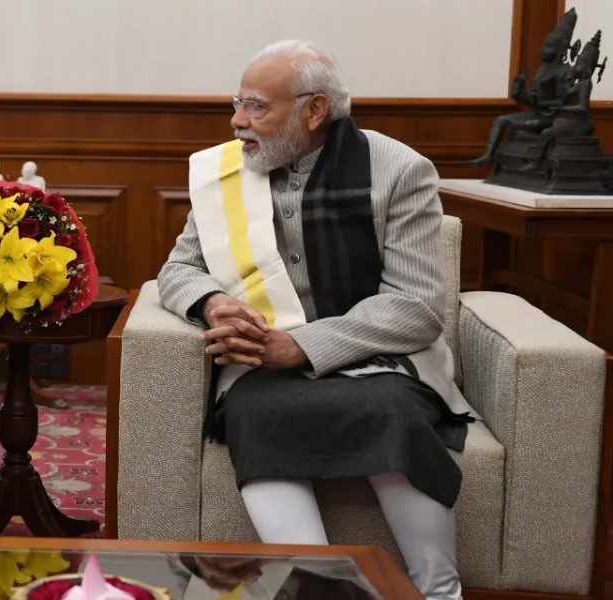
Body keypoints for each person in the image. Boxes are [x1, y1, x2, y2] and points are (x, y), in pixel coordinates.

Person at [157, 40, 477, 600]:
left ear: (314, 110)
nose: (238, 122)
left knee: (392, 409)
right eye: (237, 103)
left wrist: (301, 346)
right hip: (264, 368)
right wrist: (212, 302)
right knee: (254, 411)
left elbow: (417, 306)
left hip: (379, 359)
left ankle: (437, 589)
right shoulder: (224, 176)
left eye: (256, 106)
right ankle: (315, 587)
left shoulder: (399, 170)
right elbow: (178, 268)